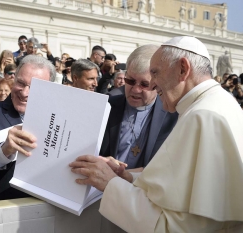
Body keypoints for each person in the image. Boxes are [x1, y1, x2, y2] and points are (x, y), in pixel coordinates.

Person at [70, 36, 243, 232]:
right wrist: (128, 177)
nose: (153, 84)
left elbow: (181, 226)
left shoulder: (202, 116)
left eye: (155, 73)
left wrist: (110, 184)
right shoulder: (219, 103)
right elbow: (175, 189)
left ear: (183, 69)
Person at [0, 55, 56, 201]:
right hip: (7, 205)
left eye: (35, 87)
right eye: (21, 83)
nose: (25, 92)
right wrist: (4, 150)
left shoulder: (58, 117)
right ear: (13, 80)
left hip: (50, 204)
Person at [99, 45, 177, 169]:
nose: (135, 90)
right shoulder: (107, 106)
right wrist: (101, 160)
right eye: (130, 81)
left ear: (159, 84)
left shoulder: (173, 117)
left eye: (144, 84)